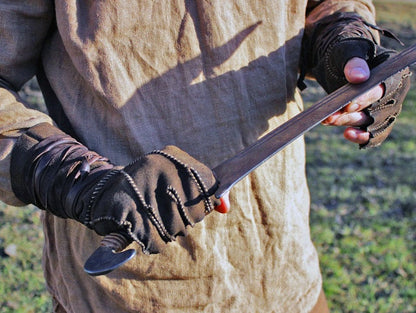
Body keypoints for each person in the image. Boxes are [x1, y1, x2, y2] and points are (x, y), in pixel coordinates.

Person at [0, 1, 410, 312]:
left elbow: (326, 6)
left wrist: (344, 42)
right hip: (129, 292)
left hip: (284, 271)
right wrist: (79, 180)